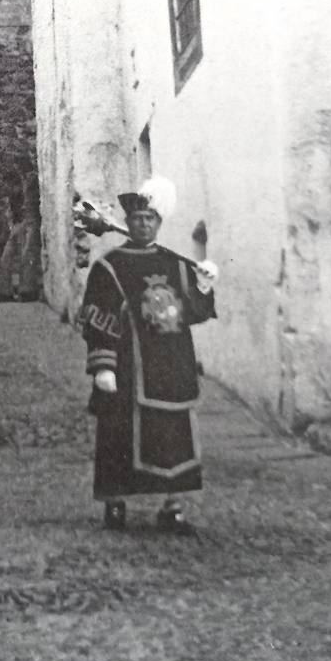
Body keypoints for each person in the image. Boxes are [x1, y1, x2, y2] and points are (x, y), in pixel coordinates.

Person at [78, 178, 218, 535]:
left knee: (174, 434)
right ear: (128, 222)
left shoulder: (176, 264)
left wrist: (202, 285)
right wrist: (103, 365)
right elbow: (98, 318)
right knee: (118, 435)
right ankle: (114, 504)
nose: (143, 224)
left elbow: (195, 312)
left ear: (159, 223)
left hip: (171, 364)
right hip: (128, 366)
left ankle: (172, 506)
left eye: (150, 219)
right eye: (138, 218)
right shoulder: (109, 266)